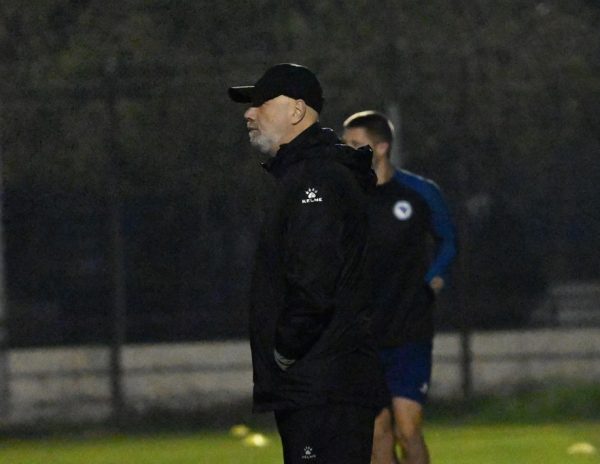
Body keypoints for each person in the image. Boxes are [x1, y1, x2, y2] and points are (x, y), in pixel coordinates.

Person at [228, 64, 388, 464]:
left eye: (261, 103)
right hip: (321, 381)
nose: (249, 113)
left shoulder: (315, 180)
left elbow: (314, 283)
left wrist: (284, 349)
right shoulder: (308, 174)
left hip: (323, 381)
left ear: (297, 110)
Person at [342, 111, 457, 464]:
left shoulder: (419, 192)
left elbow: (448, 240)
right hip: (361, 334)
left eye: (356, 145)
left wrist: (434, 278)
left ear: (381, 147)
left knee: (408, 430)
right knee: (377, 432)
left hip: (409, 328)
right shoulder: (342, 198)